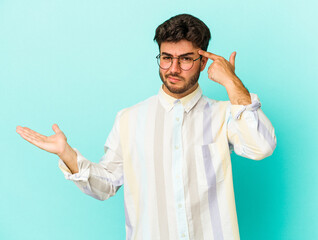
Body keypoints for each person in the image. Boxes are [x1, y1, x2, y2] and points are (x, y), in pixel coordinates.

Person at [16, 13, 276, 240]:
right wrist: (67, 155)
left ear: (203, 62)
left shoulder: (225, 115)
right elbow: (105, 186)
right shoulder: (129, 119)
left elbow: (261, 147)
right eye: (166, 58)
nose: (173, 68)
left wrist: (232, 83)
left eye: (186, 59)